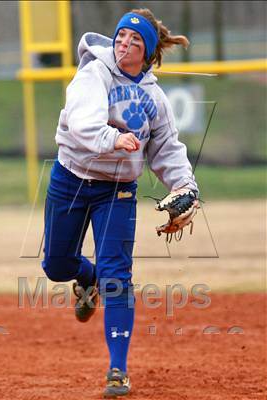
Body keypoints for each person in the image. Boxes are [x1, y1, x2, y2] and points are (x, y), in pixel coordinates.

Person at [42, 8, 199, 398]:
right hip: (72, 179)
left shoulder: (155, 99)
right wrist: (112, 139)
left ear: (147, 54)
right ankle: (86, 278)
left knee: (118, 276)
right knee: (56, 265)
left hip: (118, 190)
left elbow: (167, 149)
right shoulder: (93, 72)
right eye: (121, 37)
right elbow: (82, 123)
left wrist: (186, 185)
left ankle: (118, 369)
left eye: (135, 41)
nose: (124, 44)